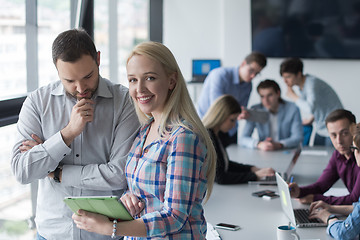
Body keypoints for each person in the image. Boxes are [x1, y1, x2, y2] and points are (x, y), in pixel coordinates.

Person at [71, 41, 216, 239]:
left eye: (150, 78)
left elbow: (175, 216)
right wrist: (128, 198)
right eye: (132, 80)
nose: (140, 89)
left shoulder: (183, 138)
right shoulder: (146, 130)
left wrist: (109, 228)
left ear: (171, 81)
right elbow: (140, 190)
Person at [11, 29, 140, 240]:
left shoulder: (124, 102)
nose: (81, 88)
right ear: (56, 69)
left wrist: (57, 172)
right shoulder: (37, 102)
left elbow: (119, 174)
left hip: (106, 235)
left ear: (98, 59)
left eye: (87, 76)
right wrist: (67, 134)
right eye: (70, 80)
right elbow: (22, 171)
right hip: (51, 234)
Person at [289, 109, 360, 205]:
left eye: (344, 133)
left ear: (354, 131)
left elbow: (354, 199)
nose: (339, 141)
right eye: (333, 135)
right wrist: (299, 192)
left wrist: (316, 198)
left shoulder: (358, 157)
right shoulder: (338, 155)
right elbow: (321, 186)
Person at [196, 52, 267, 147]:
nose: (253, 76)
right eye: (251, 70)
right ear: (243, 64)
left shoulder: (248, 85)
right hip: (208, 127)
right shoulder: (219, 75)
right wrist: (238, 112)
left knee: (228, 159)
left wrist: (242, 113)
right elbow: (218, 106)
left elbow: (240, 108)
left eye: (257, 73)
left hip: (229, 128)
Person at [202, 94, 275, 184]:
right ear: (221, 116)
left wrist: (251, 169)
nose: (234, 125)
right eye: (232, 120)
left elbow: (225, 165)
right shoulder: (208, 137)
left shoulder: (217, 134)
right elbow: (221, 177)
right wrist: (255, 176)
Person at [308, 122, 360, 239]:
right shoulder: (337, 155)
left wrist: (329, 218)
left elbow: (343, 234)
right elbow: (358, 207)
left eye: (355, 148)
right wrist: (330, 208)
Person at [280, 57, 343, 146]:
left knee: (331, 158)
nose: (285, 81)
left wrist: (293, 96)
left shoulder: (311, 84)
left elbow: (310, 108)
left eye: (288, 77)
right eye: (283, 77)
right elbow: (318, 104)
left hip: (334, 129)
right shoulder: (302, 85)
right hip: (321, 127)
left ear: (299, 74)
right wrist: (311, 119)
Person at [239, 79, 303, 151]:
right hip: (264, 152)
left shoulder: (293, 108)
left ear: (278, 94)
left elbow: (298, 137)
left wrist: (279, 144)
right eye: (262, 96)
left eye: (269, 95)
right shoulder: (255, 110)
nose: (266, 100)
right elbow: (242, 139)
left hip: (285, 151)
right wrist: (259, 144)